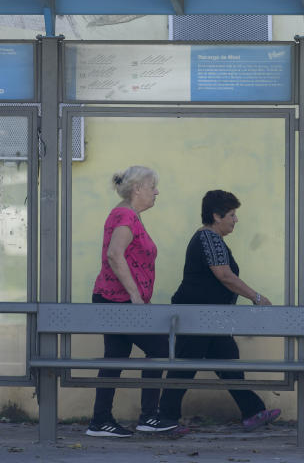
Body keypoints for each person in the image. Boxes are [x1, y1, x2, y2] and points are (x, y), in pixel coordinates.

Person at [156, 189, 282, 430]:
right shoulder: (209, 239)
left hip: (211, 318)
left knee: (229, 364)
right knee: (185, 367)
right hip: (197, 316)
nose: (236, 220)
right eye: (232, 215)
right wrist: (256, 297)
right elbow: (225, 276)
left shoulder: (212, 239)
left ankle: (253, 412)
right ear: (216, 215)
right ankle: (165, 419)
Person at [85, 165, 177, 437]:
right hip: (119, 301)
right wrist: (135, 296)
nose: (156, 192)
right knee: (159, 349)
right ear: (137, 189)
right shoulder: (126, 215)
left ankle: (100, 421)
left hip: (112, 299)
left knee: (114, 358)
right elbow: (115, 254)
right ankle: (148, 417)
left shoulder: (124, 213)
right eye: (152, 187)